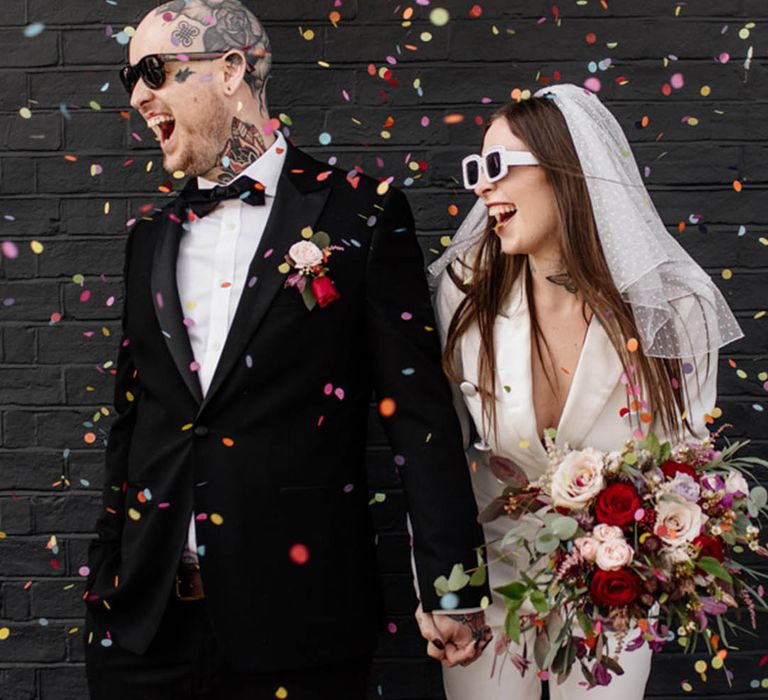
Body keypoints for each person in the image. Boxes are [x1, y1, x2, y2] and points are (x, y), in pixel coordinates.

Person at [82, 2, 492, 698]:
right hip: (144, 633)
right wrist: (103, 583)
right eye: (129, 79)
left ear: (232, 68)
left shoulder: (361, 213)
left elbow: (418, 414)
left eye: (154, 70)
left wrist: (455, 587)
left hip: (298, 625)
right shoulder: (149, 235)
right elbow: (133, 419)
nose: (138, 95)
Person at [430, 84, 743, 699]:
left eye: (497, 167)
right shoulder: (463, 293)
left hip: (614, 592)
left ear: (565, 172)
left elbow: (688, 463)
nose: (479, 186)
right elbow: (438, 458)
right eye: (475, 169)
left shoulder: (676, 308)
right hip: (488, 585)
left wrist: (656, 558)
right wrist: (446, 594)